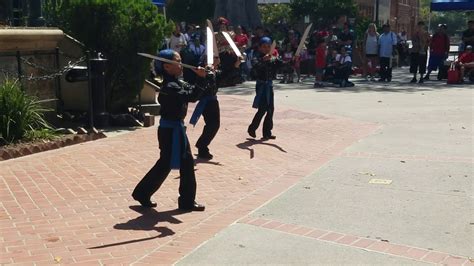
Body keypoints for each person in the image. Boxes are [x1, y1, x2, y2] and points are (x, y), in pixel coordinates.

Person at [132, 49, 210, 211]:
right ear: (167, 67)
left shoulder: (177, 81)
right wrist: (201, 79)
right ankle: (144, 193)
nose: (181, 64)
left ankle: (183, 200)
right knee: (168, 163)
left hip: (176, 129)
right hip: (169, 131)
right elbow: (193, 96)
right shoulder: (170, 86)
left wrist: (208, 75)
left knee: (183, 163)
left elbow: (195, 90)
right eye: (178, 61)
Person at [190, 56, 242, 160]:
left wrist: (236, 65)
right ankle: (202, 146)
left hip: (213, 101)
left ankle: (202, 145)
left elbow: (226, 77)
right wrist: (206, 72)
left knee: (214, 125)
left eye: (218, 57)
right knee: (212, 125)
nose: (217, 59)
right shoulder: (201, 71)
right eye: (215, 58)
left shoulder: (215, 72)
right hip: (206, 102)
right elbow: (200, 83)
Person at [248, 37, 282, 140]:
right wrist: (263, 60)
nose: (266, 49)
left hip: (269, 86)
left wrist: (293, 60)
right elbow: (255, 67)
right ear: (260, 47)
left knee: (270, 109)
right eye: (264, 47)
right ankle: (252, 128)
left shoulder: (272, 58)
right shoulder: (256, 57)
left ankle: (267, 132)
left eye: (268, 47)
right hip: (261, 86)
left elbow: (282, 65)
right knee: (262, 109)